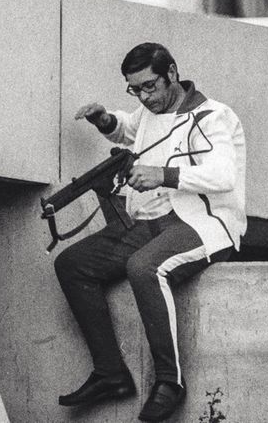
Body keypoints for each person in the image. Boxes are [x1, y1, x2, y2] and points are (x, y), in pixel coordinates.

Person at [55, 42, 246, 422]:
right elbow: (131, 130)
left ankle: (169, 382)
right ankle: (111, 373)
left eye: (150, 86)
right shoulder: (148, 111)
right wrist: (104, 120)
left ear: (172, 73)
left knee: (144, 267)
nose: (144, 96)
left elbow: (224, 175)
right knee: (72, 264)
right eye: (135, 89)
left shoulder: (212, 116)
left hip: (203, 223)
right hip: (149, 222)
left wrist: (164, 175)